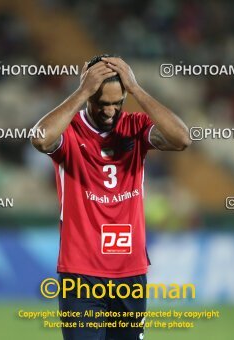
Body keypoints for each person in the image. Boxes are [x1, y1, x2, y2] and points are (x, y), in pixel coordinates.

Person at [30, 54, 191, 340]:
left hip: (130, 271)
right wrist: (81, 91)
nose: (110, 112)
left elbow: (182, 139)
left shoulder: (136, 126)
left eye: (118, 103)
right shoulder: (69, 131)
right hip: (81, 274)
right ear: (89, 96)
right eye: (102, 103)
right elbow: (41, 138)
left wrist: (137, 89)